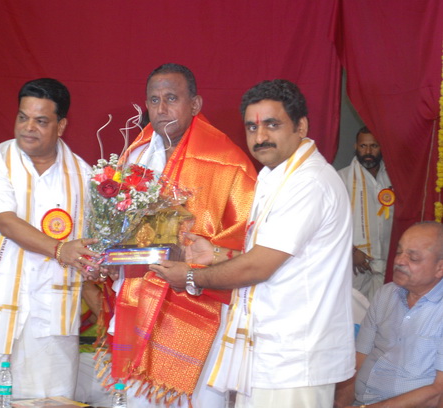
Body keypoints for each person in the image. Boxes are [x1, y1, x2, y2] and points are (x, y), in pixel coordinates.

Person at [151, 79, 355, 408]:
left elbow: (259, 267)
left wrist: (190, 276)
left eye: (272, 125)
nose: (260, 137)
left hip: (295, 358)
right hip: (269, 352)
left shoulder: (309, 182)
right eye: (251, 127)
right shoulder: (275, 175)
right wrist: (216, 253)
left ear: (301, 126)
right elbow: (278, 257)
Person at [111, 63, 257, 407]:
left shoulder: (228, 161)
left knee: (196, 398)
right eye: (154, 100)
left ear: (195, 104)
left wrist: (193, 260)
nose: (161, 109)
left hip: (196, 301)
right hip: (139, 294)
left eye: (172, 98)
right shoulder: (135, 155)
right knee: (138, 398)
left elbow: (248, 242)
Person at [0, 78, 102, 405]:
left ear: (61, 125)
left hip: (52, 321)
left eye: (41, 121)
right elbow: (6, 223)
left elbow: (88, 248)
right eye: (23, 117)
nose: (28, 128)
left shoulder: (84, 176)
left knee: (52, 401)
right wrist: (61, 249)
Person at [334, 221, 443, 408]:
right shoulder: (386, 294)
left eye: (413, 258)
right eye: (399, 252)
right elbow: (359, 358)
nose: (399, 261)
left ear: (440, 268)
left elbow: (438, 393)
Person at [338, 127, 394, 301]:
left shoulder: (394, 177)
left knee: (384, 312)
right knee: (355, 312)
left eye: (374, 146)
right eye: (363, 146)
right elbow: (331, 223)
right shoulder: (341, 178)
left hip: (388, 261)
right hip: (356, 264)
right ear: (355, 146)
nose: (368, 152)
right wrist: (352, 250)